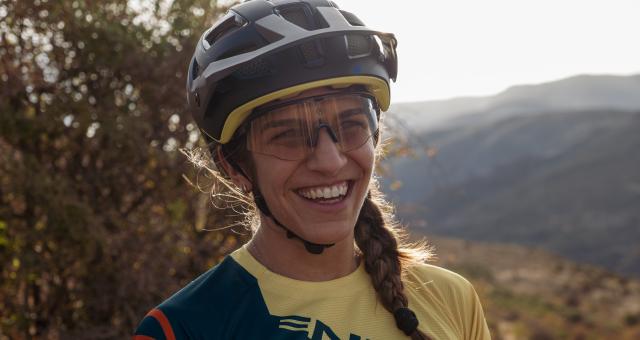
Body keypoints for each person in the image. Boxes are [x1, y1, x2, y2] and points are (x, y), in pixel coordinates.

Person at [134, 0, 491, 339]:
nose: (330, 161)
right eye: (289, 136)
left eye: (351, 125)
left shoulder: (451, 298)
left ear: (375, 137)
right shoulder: (186, 328)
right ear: (234, 166)